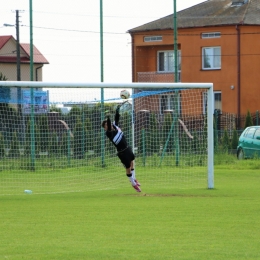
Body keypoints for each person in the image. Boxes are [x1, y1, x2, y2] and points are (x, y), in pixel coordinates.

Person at [101, 106, 141, 192]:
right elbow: (109, 123)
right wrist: (108, 117)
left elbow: (116, 117)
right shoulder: (108, 133)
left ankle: (134, 179)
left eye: (109, 124)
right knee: (128, 167)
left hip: (127, 148)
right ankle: (133, 184)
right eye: (106, 125)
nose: (109, 125)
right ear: (105, 128)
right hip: (122, 152)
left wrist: (117, 109)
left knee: (132, 162)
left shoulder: (115, 126)